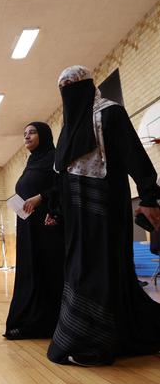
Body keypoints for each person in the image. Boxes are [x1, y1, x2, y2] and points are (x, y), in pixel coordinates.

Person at [44, 65, 160, 366]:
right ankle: (94, 336)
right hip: (74, 216)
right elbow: (61, 173)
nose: (68, 92)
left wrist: (149, 195)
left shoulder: (110, 114)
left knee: (100, 270)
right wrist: (56, 210)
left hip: (104, 209)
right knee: (79, 270)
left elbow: (135, 154)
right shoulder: (68, 127)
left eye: (72, 85)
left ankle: (92, 344)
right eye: (62, 87)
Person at [5, 122, 64, 339]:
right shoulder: (32, 161)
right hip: (28, 225)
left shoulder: (54, 157)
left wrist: (42, 197)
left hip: (47, 223)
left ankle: (50, 322)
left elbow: (63, 185)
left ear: (44, 135)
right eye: (24, 134)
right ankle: (30, 320)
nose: (27, 137)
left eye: (32, 132)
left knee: (48, 269)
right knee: (32, 270)